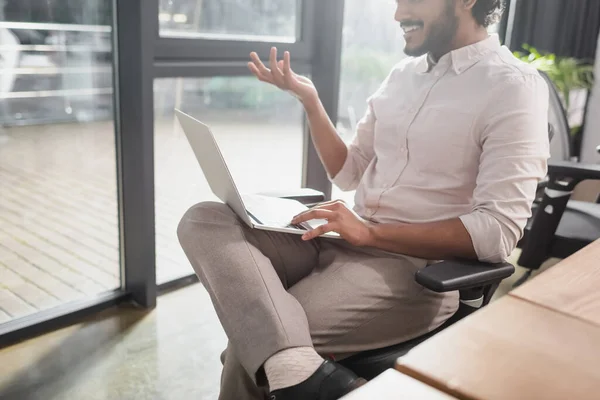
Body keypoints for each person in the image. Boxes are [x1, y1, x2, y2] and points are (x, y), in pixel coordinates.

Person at [177, 0, 549, 399]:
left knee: (251, 352)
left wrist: (371, 235)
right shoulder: (402, 76)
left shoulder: (512, 86)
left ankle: (293, 367)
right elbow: (348, 171)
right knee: (205, 219)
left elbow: (499, 232)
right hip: (338, 239)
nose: (396, 15)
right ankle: (303, 374)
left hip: (407, 271)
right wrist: (310, 100)